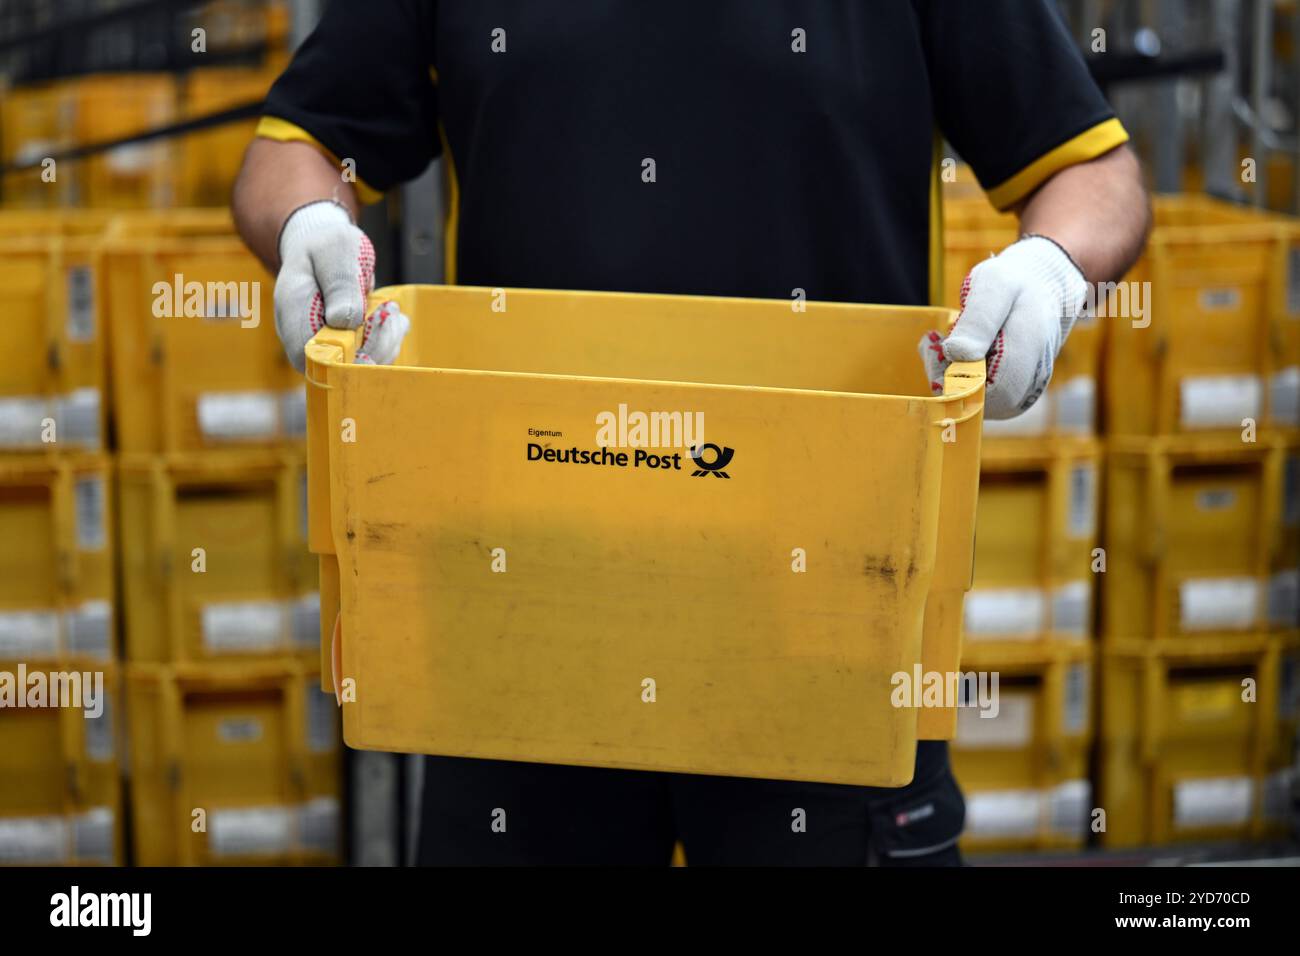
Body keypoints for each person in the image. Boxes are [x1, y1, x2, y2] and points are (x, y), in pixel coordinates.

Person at [233, 0, 1149, 865]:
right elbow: (297, 147)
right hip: (517, 633)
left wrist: (1052, 267)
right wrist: (308, 222)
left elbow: (1094, 172)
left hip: (836, 630)